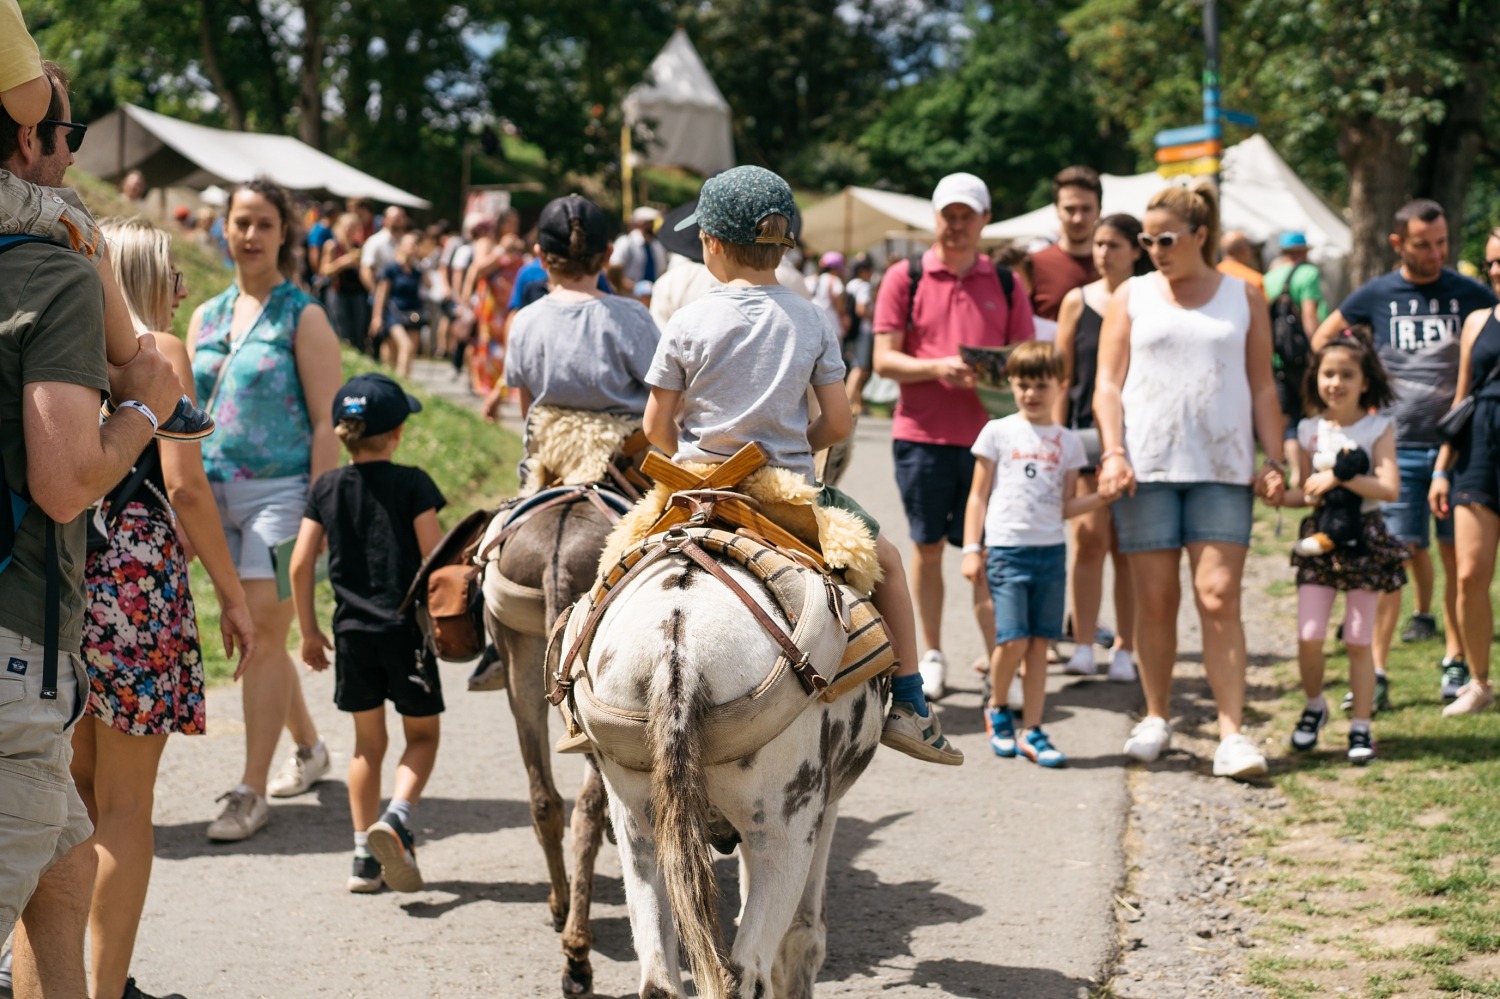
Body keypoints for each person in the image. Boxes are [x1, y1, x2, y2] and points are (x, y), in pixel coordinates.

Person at [645, 165, 963, 765]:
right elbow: (839, 424)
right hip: (784, 494)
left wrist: (693, 452)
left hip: (692, 492)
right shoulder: (813, 316)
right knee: (887, 562)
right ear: (786, 242)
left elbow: (655, 429)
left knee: (614, 563)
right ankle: (910, 702)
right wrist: (793, 445)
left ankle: (575, 690)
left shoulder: (688, 320)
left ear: (710, 243)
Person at [0, 60, 183, 998]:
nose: (73, 160)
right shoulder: (46, 273)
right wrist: (145, 410)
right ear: (32, 139)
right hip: (13, 643)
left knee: (66, 872)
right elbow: (69, 481)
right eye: (66, 138)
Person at [72, 217, 257, 999]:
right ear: (143, 275)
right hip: (137, 580)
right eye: (174, 272)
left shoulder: (71, 345)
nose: (185, 289)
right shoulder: (158, 355)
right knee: (127, 807)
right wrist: (233, 591)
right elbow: (183, 485)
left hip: (65, 573)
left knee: (74, 796)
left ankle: (58, 974)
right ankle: (103, 988)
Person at [1093, 182, 1287, 780]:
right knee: (1155, 600)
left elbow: (1261, 384)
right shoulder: (1133, 294)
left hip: (1224, 470)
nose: (1154, 248)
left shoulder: (1243, 294)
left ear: (1201, 235)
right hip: (1146, 467)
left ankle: (1232, 733)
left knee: (1218, 596)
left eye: (1166, 238)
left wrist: (1274, 457)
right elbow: (1107, 382)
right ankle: (1156, 716)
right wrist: (1113, 452)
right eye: (1147, 238)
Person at [188, 178, 343, 842]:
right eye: (239, 222)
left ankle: (250, 791)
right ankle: (309, 747)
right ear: (223, 228)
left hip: (283, 500)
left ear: (285, 233)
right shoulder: (204, 316)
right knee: (267, 640)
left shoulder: (301, 316)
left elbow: (326, 424)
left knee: (257, 629)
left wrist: (319, 513)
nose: (248, 235)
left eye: (262, 223)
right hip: (212, 499)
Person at [1311, 199, 1497, 707]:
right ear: (1398, 244)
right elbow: (1325, 338)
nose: (1436, 254)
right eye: (1423, 245)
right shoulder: (1378, 293)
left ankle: (1455, 662)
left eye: (1442, 243)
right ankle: (1377, 671)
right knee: (1390, 561)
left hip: (1456, 448)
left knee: (1458, 562)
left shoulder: (1468, 293)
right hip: (1395, 445)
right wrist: (1361, 388)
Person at [872, 171, 1035, 701]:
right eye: (949, 214)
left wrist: (997, 373)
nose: (957, 224)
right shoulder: (906, 275)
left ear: (985, 220)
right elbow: (883, 358)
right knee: (927, 546)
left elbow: (1028, 359)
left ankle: (997, 654)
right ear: (936, 217)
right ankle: (934, 651)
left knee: (986, 551)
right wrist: (938, 367)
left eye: (967, 214)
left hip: (991, 438)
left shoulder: (1007, 283)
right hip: (922, 434)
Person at [291, 373, 445, 893]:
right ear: (397, 432)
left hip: (352, 634)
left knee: (366, 747)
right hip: (405, 632)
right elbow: (436, 561)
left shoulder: (326, 488)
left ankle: (362, 857)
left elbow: (299, 564)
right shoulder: (414, 484)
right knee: (421, 736)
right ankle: (398, 818)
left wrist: (310, 633)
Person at [962, 341, 1116, 768]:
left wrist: (1102, 499)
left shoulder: (1068, 443)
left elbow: (1066, 506)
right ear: (1011, 384)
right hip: (1006, 550)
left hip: (1049, 553)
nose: (1031, 393)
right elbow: (978, 497)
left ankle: (1033, 727)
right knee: (1011, 640)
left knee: (1039, 645)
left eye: (1041, 384)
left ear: (1060, 386)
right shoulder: (997, 432)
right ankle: (997, 707)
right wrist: (973, 548)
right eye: (1023, 384)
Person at [1281, 329, 1403, 762]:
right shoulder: (1307, 430)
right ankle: (1315, 706)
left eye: (1346, 374)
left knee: (1357, 639)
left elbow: (1388, 487)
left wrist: (1339, 475)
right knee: (1309, 635)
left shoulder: (1377, 427)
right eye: (1327, 374)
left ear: (1364, 381)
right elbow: (1303, 491)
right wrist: (1278, 492)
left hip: (1364, 539)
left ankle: (1361, 725)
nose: (1336, 383)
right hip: (1319, 537)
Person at [1054, 213, 1149, 682]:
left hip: (1140, 439)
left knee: (1127, 546)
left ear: (1137, 249)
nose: (1102, 253)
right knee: (1088, 541)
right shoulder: (1077, 300)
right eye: (1098, 244)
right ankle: (1085, 644)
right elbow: (1062, 375)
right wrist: (1053, 438)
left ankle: (1128, 649)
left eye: (1113, 245)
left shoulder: (1151, 297)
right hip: (1085, 435)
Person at [502, 194, 658, 427]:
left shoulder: (524, 321)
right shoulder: (634, 316)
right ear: (607, 255)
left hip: (549, 457)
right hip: (620, 457)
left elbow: (528, 412)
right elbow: (664, 391)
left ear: (541, 257)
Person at [1429, 294, 1500, 716]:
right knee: (1469, 574)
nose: (1497, 270)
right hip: (1479, 451)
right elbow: (1462, 398)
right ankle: (1479, 683)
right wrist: (1441, 469)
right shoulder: (1477, 321)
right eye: (1493, 262)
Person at [1029, 165, 1103, 340]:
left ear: (1099, 210)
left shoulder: (1118, 262)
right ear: (1056, 209)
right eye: (1070, 209)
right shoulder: (1034, 265)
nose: (1078, 218)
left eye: (1086, 209)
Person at [368, 231, 424, 379]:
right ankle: (399, 385)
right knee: (406, 346)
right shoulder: (391, 269)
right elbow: (381, 294)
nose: (414, 247)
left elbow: (429, 285)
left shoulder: (417, 270)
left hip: (412, 313)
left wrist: (421, 262)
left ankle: (400, 382)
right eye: (411, 244)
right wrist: (377, 317)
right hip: (394, 313)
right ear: (402, 246)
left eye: (416, 244)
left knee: (399, 353)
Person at [321, 211, 369, 351]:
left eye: (354, 227)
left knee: (358, 331)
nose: (350, 230)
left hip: (357, 293)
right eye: (348, 226)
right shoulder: (332, 245)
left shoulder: (359, 247)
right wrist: (342, 263)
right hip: (338, 292)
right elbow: (324, 270)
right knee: (342, 330)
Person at [843, 254, 875, 414]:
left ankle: (858, 405)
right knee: (860, 368)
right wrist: (875, 317)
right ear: (863, 271)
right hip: (863, 331)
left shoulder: (850, 285)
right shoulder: (863, 286)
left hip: (851, 331)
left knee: (854, 365)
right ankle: (847, 401)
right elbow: (861, 309)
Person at [610, 205, 667, 291]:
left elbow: (662, 271)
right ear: (639, 223)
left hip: (652, 295)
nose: (651, 225)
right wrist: (635, 288)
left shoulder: (656, 245)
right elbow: (614, 270)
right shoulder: (625, 242)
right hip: (629, 296)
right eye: (648, 222)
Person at [359, 205, 409, 294]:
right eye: (396, 218)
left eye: (401, 218)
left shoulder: (406, 241)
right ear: (385, 220)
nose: (399, 221)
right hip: (383, 292)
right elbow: (365, 270)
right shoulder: (374, 242)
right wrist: (376, 293)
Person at [810, 251, 849, 340]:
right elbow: (839, 306)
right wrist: (844, 318)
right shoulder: (835, 280)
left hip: (813, 323)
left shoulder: (811, 279)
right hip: (832, 325)